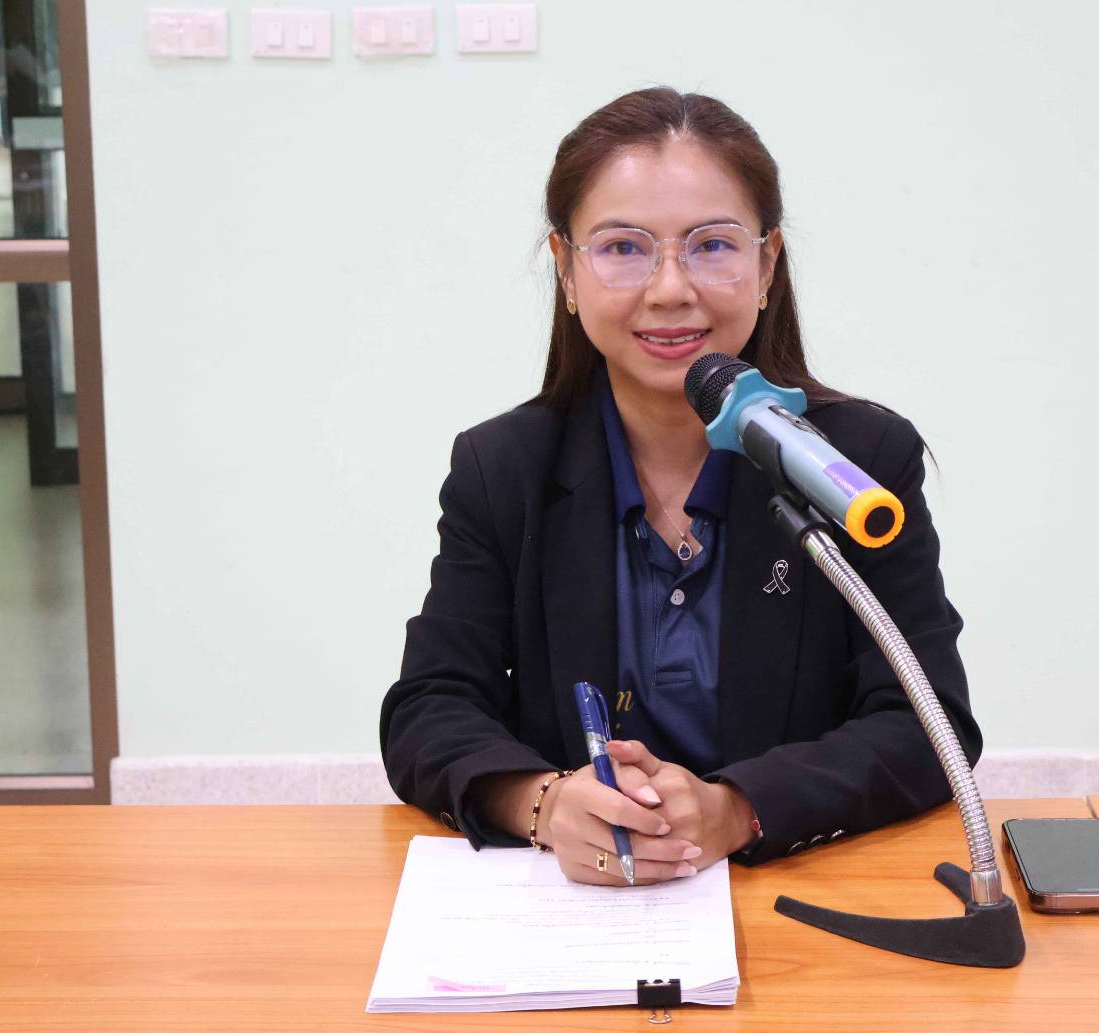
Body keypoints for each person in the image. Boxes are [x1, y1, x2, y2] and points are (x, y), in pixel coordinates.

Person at [380, 87, 979, 886]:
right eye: (623, 247)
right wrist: (544, 802)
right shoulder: (505, 468)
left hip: (794, 892)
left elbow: (925, 723)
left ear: (766, 264)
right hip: (576, 905)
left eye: (712, 244)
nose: (669, 288)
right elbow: (429, 709)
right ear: (565, 268)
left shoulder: (854, 460)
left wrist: (737, 808)